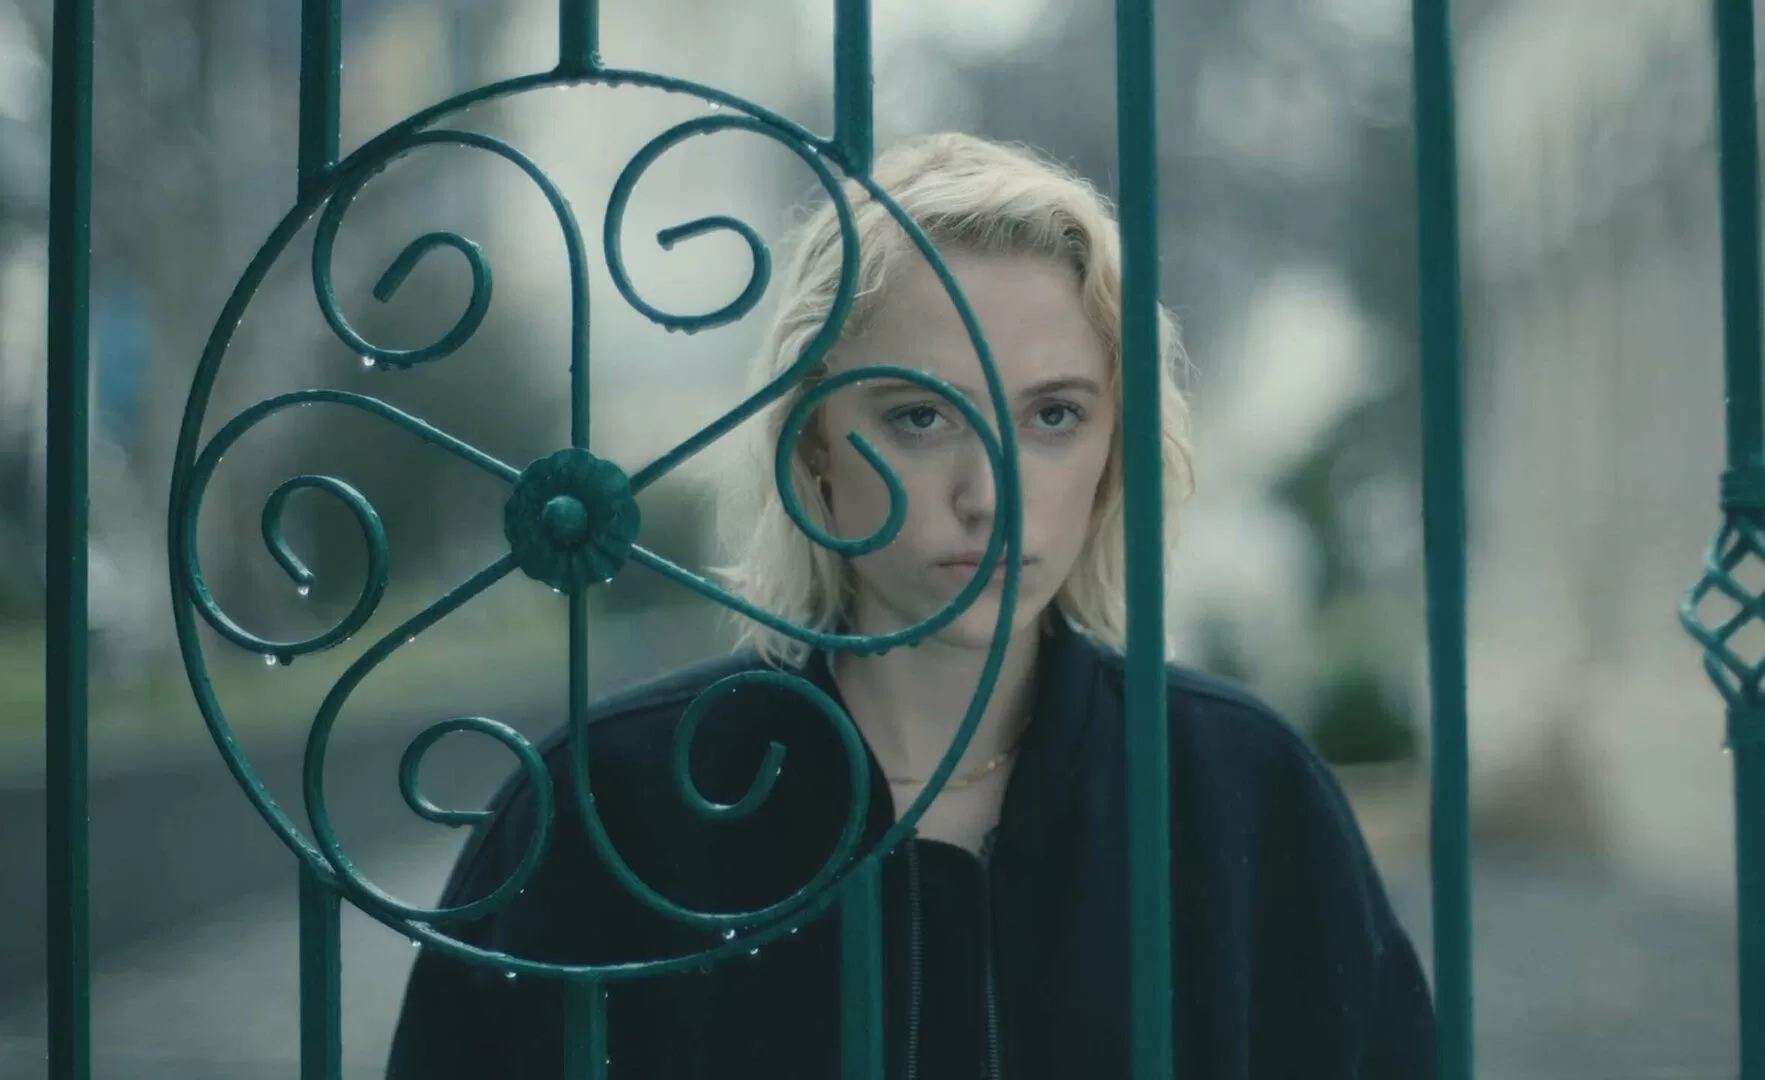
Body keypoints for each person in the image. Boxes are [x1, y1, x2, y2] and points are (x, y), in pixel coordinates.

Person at [386, 133, 1436, 1079]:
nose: (989, 494)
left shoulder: (1241, 794)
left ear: (1112, 446)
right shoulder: (612, 807)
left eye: (1053, 415)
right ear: (812, 444)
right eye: (921, 417)